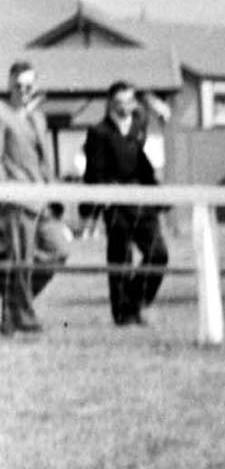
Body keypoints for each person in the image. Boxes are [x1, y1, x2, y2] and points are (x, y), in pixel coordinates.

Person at [78, 80, 170, 325]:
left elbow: (143, 163)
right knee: (121, 258)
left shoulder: (139, 126)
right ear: (110, 103)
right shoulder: (99, 132)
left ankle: (134, 301)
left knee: (158, 254)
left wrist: (158, 196)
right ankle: (123, 315)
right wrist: (94, 203)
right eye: (119, 102)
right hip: (115, 204)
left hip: (142, 200)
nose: (125, 106)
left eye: (129, 101)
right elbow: (94, 172)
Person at [2, 58, 65, 336]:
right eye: (18, 85)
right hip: (16, 200)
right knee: (20, 260)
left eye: (29, 86)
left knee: (58, 250)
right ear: (9, 85)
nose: (24, 91)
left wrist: (54, 193)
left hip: (43, 199)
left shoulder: (38, 117)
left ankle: (14, 305)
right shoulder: (2, 114)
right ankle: (20, 317)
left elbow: (45, 160)